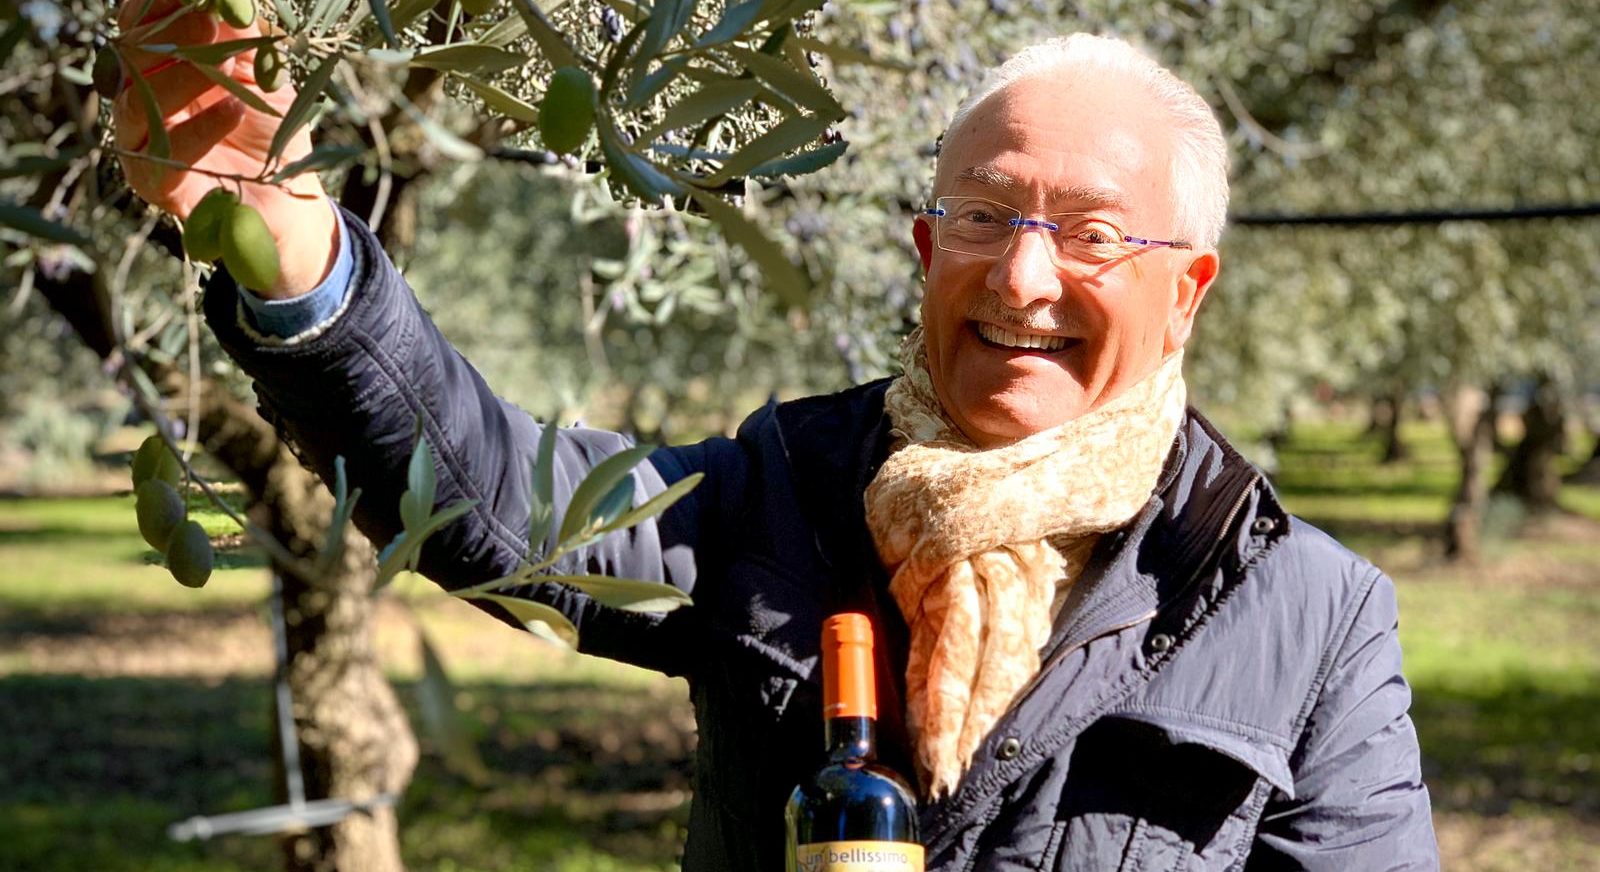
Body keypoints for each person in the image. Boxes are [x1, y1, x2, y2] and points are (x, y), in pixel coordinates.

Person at [113, 3, 1439, 866]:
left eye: (1091, 234)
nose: (1023, 280)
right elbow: (497, 506)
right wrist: (279, 232)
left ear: (1185, 290)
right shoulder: (787, 491)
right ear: (925, 251)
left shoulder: (1308, 616)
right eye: (982, 217)